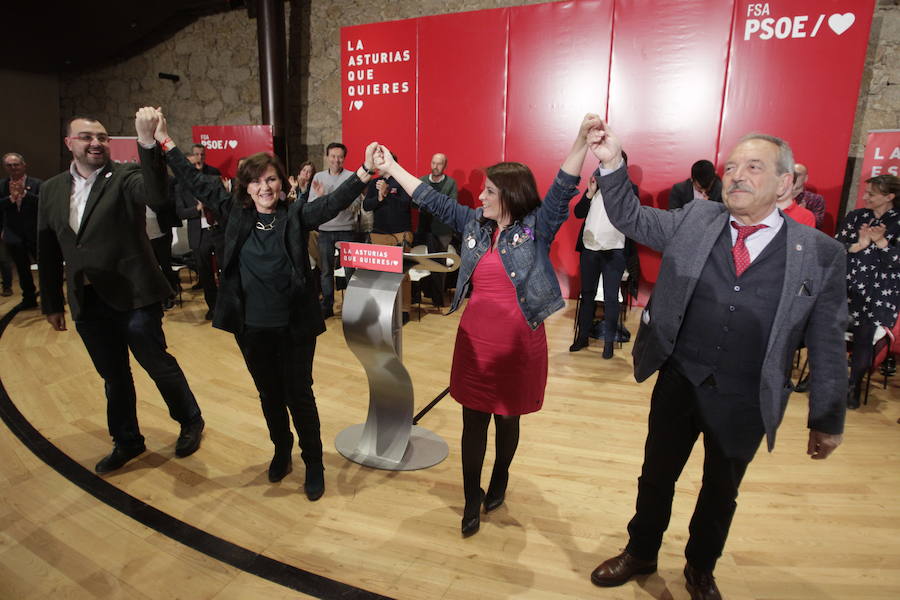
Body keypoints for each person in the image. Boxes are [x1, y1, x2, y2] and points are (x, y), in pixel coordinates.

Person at [587, 120, 847, 599]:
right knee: (656, 475)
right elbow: (632, 217)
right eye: (731, 166)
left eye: (753, 167)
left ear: (784, 183)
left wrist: (827, 417)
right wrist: (610, 162)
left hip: (746, 397)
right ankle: (641, 551)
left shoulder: (819, 252)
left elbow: (828, 339)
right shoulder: (695, 219)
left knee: (719, 492)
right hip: (680, 378)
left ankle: (700, 570)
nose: (737, 176)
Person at [373, 114, 598, 536]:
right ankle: (472, 496)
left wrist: (581, 141)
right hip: (475, 341)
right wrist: (390, 168)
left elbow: (563, 187)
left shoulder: (536, 227)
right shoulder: (474, 224)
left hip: (519, 344)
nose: (480, 196)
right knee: (472, 423)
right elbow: (430, 198)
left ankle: (500, 478)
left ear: (510, 196)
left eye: (489, 191)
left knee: (508, 420)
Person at [155, 110, 376, 500]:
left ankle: (314, 462)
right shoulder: (234, 215)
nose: (264, 187)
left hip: (294, 326)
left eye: (271, 179)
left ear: (282, 182)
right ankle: (281, 451)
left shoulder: (295, 215)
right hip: (251, 327)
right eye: (256, 181)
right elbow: (196, 183)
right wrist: (165, 142)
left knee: (299, 395)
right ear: (245, 187)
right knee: (269, 394)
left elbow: (331, 205)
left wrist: (363, 172)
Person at [37, 110, 204, 474]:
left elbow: (158, 195)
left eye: (102, 137)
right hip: (88, 300)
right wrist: (51, 301)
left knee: (156, 363)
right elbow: (48, 249)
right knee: (114, 376)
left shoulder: (125, 176)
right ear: (69, 144)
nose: (96, 142)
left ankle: (190, 419)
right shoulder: (50, 190)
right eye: (86, 137)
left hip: (134, 296)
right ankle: (127, 440)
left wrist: (147, 143)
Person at [835, 174, 899, 408]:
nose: (865, 197)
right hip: (848, 286)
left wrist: (882, 243)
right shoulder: (856, 217)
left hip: (880, 293)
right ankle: (825, 379)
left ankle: (854, 386)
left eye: (871, 194)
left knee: (863, 339)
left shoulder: (897, 222)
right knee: (830, 334)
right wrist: (858, 245)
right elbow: (835, 247)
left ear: (889, 196)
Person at [569, 153, 636, 359]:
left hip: (614, 250)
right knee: (587, 295)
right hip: (590, 248)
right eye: (601, 163)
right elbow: (579, 213)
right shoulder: (593, 185)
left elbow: (631, 218)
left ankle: (608, 342)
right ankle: (582, 338)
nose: (603, 167)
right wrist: (589, 194)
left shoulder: (629, 189)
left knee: (610, 298)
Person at [174, 151, 226, 319]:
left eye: (199, 164)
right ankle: (214, 309)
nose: (196, 168)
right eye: (192, 165)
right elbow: (180, 212)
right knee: (206, 275)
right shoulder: (180, 187)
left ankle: (229, 306)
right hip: (199, 235)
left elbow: (226, 204)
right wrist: (197, 209)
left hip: (218, 231)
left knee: (226, 271)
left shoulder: (212, 181)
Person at [310, 142, 359, 318]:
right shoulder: (319, 177)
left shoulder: (352, 177)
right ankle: (327, 306)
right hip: (325, 230)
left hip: (347, 230)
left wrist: (335, 200)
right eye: (333, 156)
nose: (336, 160)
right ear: (327, 157)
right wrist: (324, 198)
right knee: (326, 271)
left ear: (344, 158)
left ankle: (353, 307)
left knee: (350, 271)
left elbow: (356, 205)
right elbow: (311, 206)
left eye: (340, 157)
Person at [363, 154, 414, 322]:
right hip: (379, 234)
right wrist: (379, 196)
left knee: (402, 274)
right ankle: (384, 309)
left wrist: (387, 192)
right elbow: (366, 205)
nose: (379, 164)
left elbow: (406, 205)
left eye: (382, 161)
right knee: (381, 277)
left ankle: (404, 310)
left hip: (401, 235)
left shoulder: (402, 181)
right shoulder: (373, 182)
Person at [0, 152, 41, 308]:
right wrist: (10, 198)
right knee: (23, 270)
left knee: (45, 269)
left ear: (24, 165)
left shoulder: (38, 184)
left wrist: (24, 194)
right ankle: (29, 299)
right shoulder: (2, 186)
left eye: (16, 164)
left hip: (35, 233)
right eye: (9, 165)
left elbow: (42, 205)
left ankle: (51, 298)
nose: (13, 168)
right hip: (14, 235)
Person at [418, 153, 458, 306]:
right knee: (422, 262)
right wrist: (437, 204)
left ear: (445, 166)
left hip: (443, 230)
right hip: (423, 228)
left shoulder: (451, 183)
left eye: (439, 163)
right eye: (433, 162)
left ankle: (438, 299)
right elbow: (416, 203)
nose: (435, 166)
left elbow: (451, 205)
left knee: (439, 264)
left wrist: (429, 204)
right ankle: (422, 294)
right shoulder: (421, 181)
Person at [792, 163, 826, 229]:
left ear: (806, 178)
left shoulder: (815, 199)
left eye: (798, 175)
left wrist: (804, 213)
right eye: (792, 174)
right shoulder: (778, 196)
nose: (794, 177)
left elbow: (818, 224)